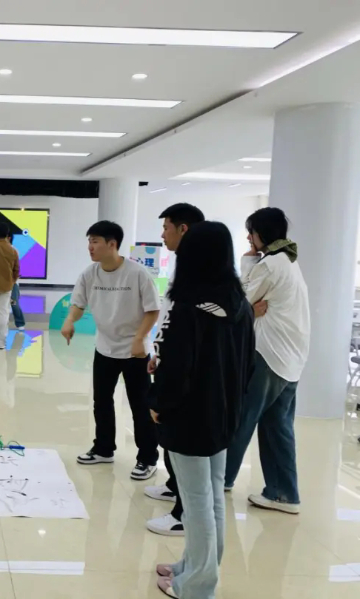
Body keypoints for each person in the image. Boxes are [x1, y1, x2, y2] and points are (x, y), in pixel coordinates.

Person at [150, 221, 255, 599]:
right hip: (224, 414)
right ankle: (194, 568)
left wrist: (158, 404)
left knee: (196, 503)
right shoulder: (240, 304)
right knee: (210, 499)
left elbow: (177, 367)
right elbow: (248, 364)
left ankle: (197, 586)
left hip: (189, 417)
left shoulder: (189, 306)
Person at [224, 207, 310, 514]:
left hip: (268, 354)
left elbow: (239, 300)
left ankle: (221, 479)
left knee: (241, 418)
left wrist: (247, 262)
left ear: (263, 233)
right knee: (277, 427)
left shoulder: (271, 264)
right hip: (290, 358)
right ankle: (284, 494)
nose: (249, 237)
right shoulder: (288, 261)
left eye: (251, 231)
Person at [62, 221, 161, 480]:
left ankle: (147, 458)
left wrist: (139, 338)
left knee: (141, 405)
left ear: (112, 244)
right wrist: (70, 320)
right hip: (105, 347)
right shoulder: (89, 274)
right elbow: (78, 303)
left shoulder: (137, 273)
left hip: (135, 351)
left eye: (95, 241)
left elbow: (152, 310)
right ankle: (104, 448)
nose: (90, 247)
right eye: (89, 241)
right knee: (102, 401)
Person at [144, 203, 205, 537]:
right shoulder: (182, 265)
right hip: (167, 356)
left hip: (183, 368)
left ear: (184, 229)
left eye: (166, 227)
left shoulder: (199, 273)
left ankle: (183, 513)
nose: (162, 234)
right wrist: (158, 349)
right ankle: (173, 486)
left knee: (180, 433)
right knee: (168, 433)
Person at [6, 232, 26, 331]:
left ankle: (20, 323)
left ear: (9, 238)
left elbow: (16, 268)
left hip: (12, 283)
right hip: (1, 283)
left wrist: (13, 279)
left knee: (14, 303)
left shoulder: (14, 251)